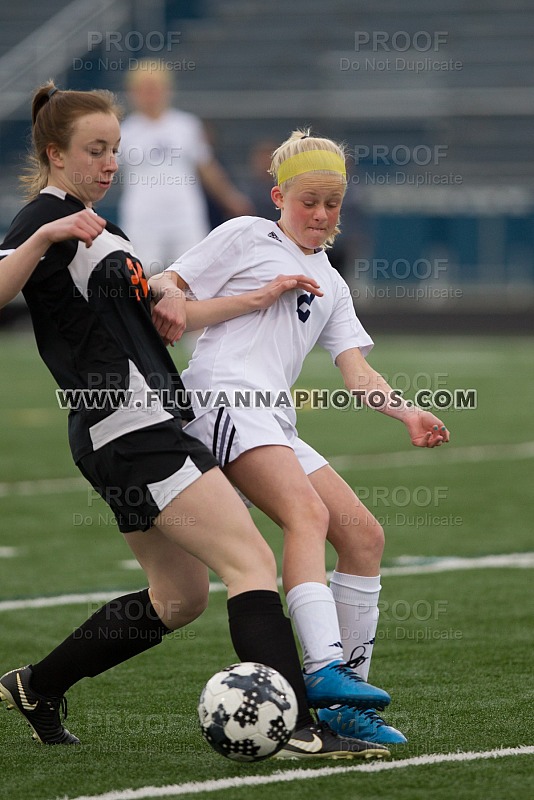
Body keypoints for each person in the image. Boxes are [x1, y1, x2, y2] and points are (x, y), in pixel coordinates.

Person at [0, 84, 392, 761]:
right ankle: (299, 723)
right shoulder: (46, 218)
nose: (111, 162)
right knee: (251, 562)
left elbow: (164, 314)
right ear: (54, 152)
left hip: (130, 430)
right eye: (96, 150)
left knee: (179, 598)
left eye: (115, 150)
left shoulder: (101, 227)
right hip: (129, 426)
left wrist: (255, 297)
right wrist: (41, 233)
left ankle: (38, 685)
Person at [153, 129, 451, 746]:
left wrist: (407, 413)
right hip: (223, 398)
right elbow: (167, 283)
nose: (319, 215)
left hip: (273, 417)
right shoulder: (245, 235)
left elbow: (357, 369)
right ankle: (321, 670)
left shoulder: (332, 281)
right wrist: (174, 302)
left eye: (332, 204)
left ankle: (347, 706)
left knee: (365, 536)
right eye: (308, 200)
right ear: (278, 196)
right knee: (306, 515)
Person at [117, 60, 253, 275]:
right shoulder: (124, 131)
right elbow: (105, 169)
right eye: (143, 89)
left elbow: (206, 167)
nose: (150, 95)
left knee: (193, 273)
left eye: (155, 88)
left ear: (167, 90)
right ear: (132, 93)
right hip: (143, 215)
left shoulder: (186, 126)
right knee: (142, 275)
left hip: (184, 213)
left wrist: (231, 198)